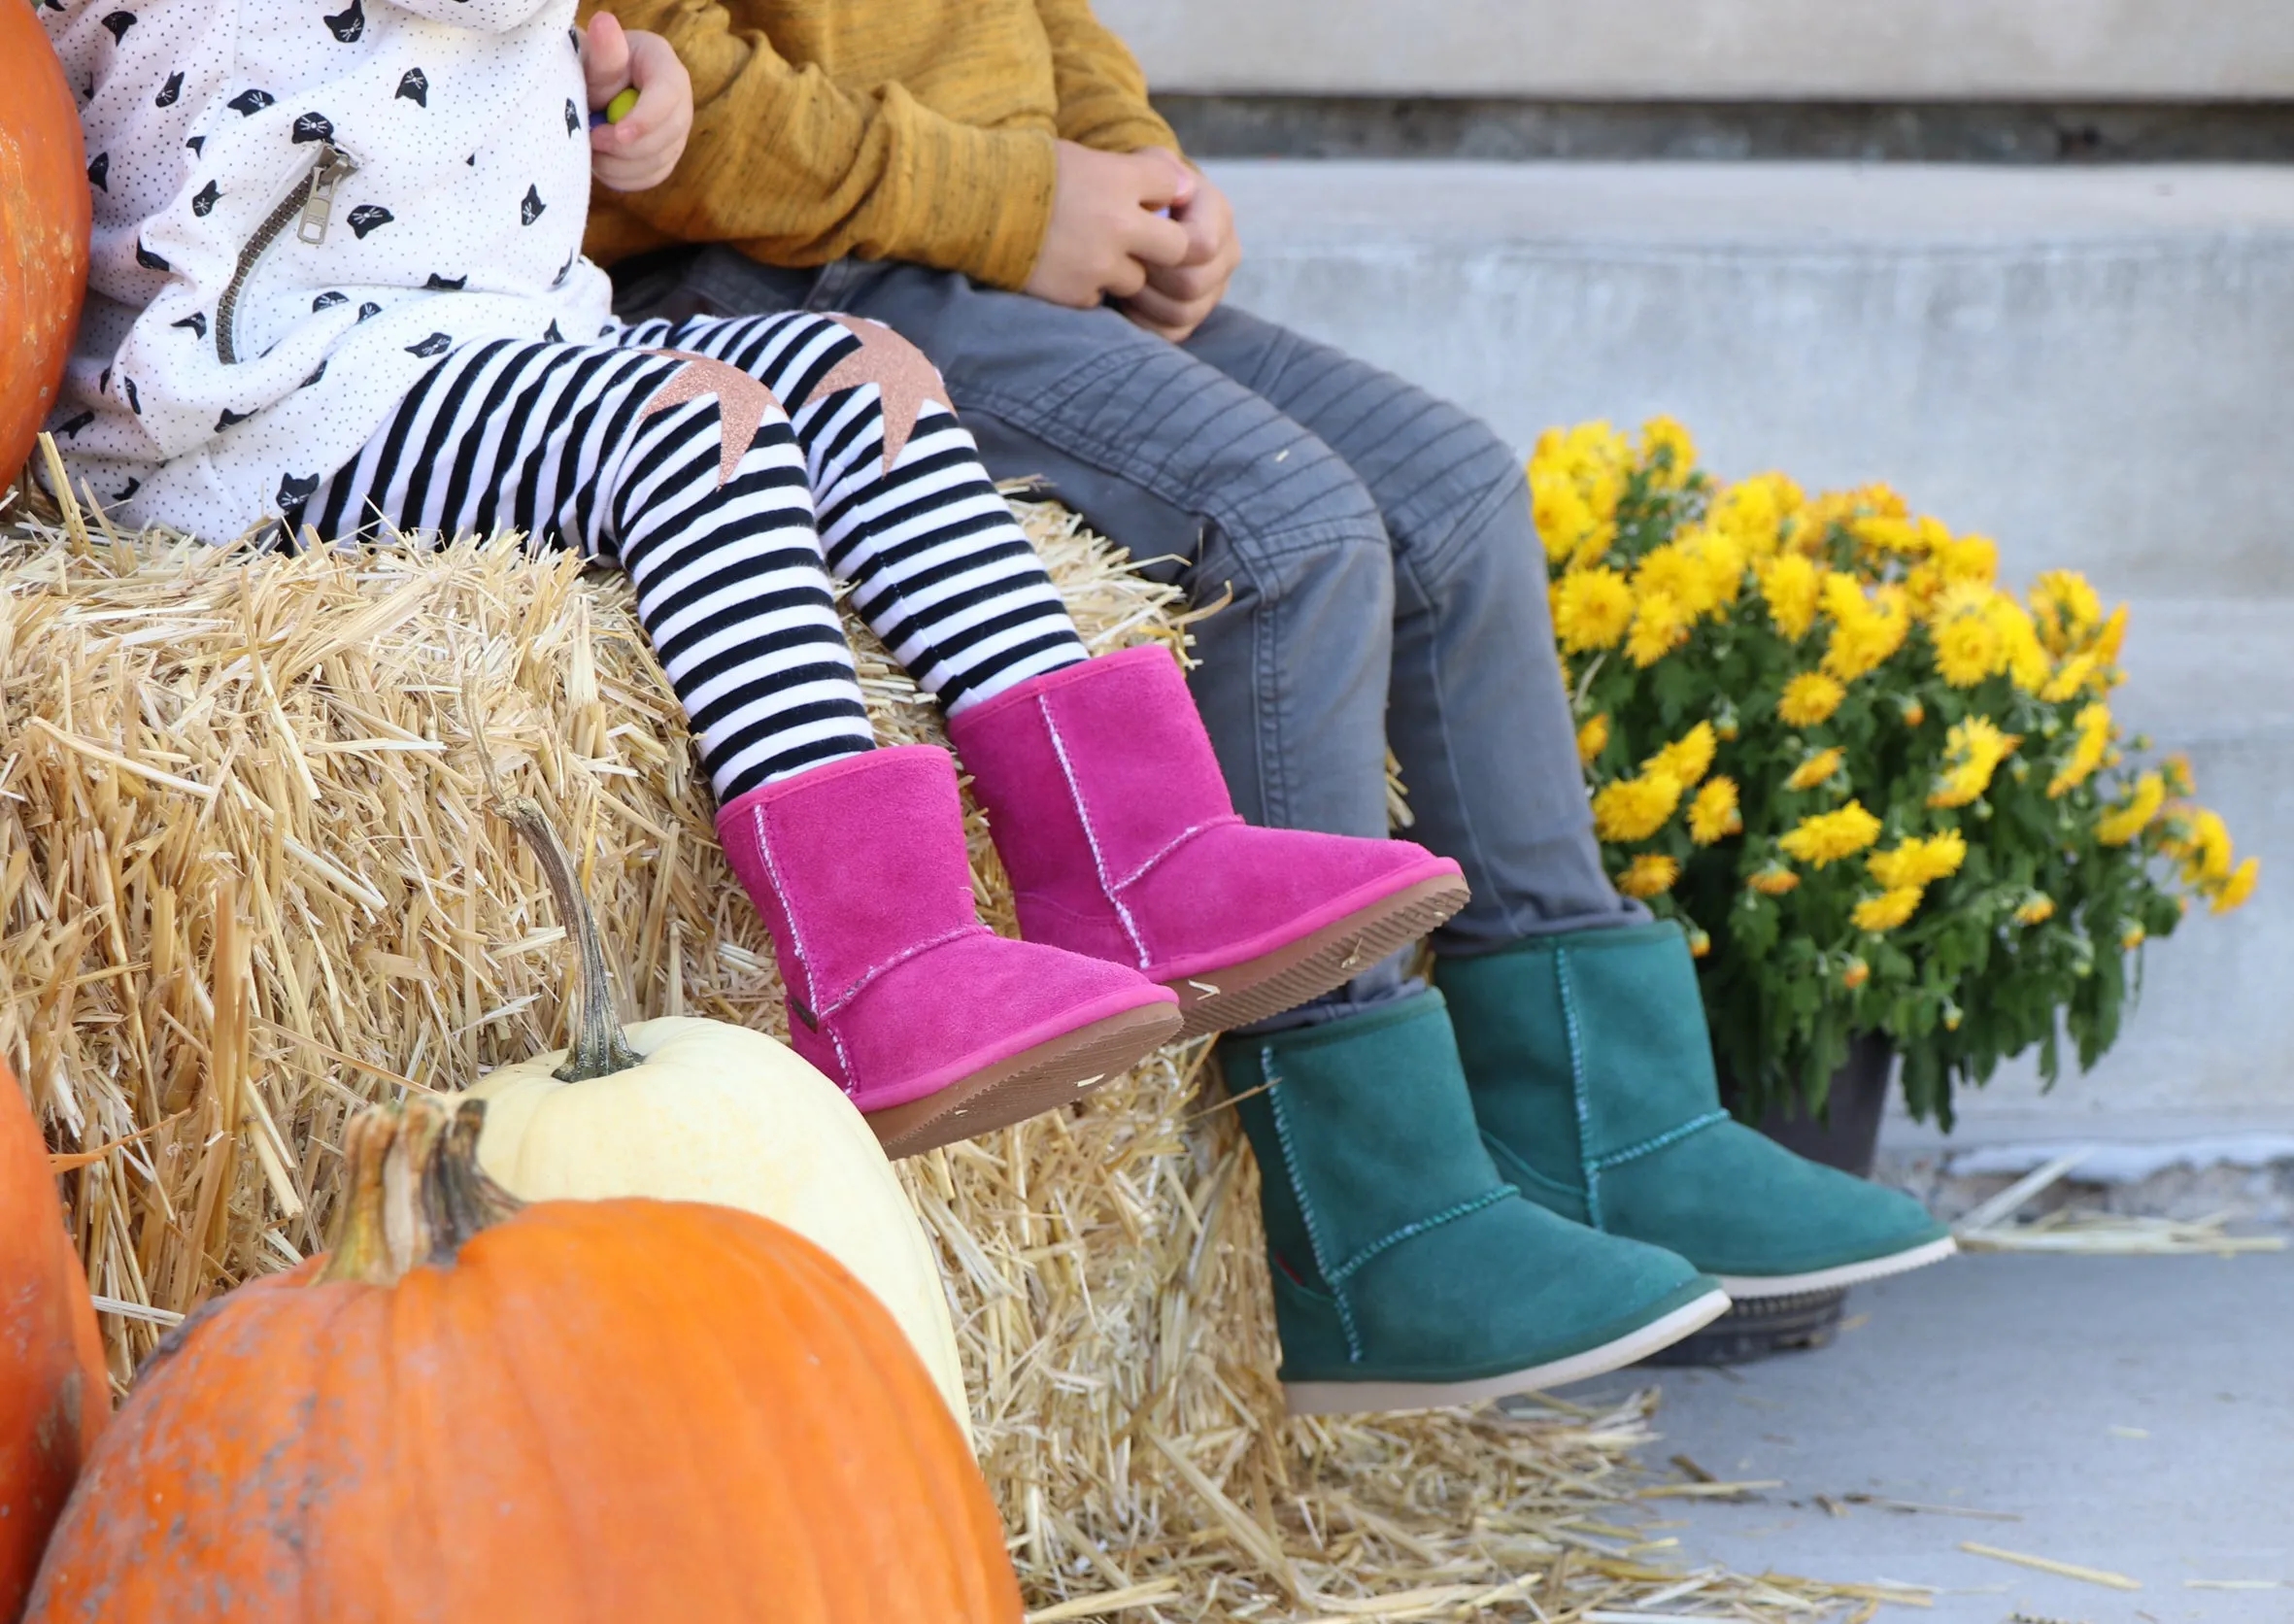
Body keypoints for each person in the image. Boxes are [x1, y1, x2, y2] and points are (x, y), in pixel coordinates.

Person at [584, 0, 1955, 1410]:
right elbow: (641, 88)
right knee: (1285, 533)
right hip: (771, 281)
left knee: (1453, 493)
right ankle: (1371, 1223)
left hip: (990, 246)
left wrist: (1136, 172)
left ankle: (1607, 1123)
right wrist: (1018, 200)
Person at [39, 0, 1474, 1162]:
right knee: (688, 442)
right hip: (262, 398)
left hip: (498, 333)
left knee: (871, 384)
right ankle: (876, 965)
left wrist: (632, 88)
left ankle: (1132, 858)